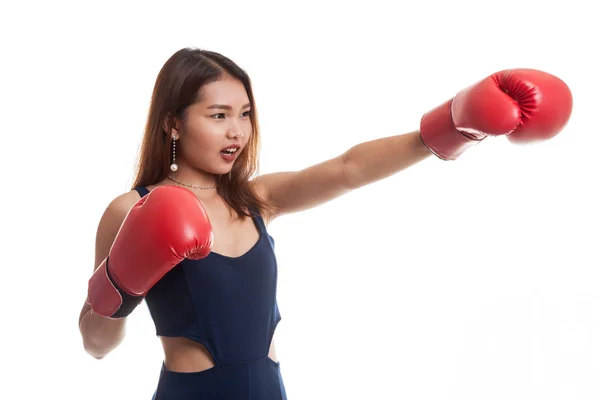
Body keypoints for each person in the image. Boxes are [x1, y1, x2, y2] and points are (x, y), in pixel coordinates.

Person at [78, 47, 573, 399]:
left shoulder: (256, 198)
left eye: (245, 114)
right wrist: (121, 281)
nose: (236, 131)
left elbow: (347, 169)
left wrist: (449, 127)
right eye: (218, 114)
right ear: (173, 123)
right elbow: (95, 344)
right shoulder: (130, 211)